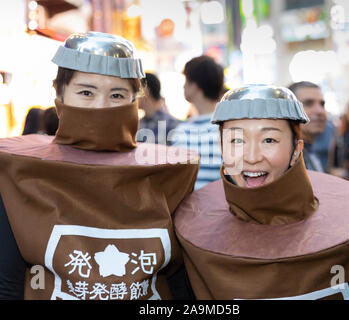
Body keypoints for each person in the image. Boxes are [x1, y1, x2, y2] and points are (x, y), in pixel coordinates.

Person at [0, 31, 199, 300]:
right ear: (59, 93)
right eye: (86, 92)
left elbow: (179, 280)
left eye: (117, 95)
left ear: (135, 99)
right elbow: (8, 283)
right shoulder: (17, 171)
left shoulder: (169, 174)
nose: (101, 107)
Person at [174, 84, 349, 300]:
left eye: (269, 140)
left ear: (296, 150)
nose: (252, 157)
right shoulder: (189, 241)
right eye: (236, 141)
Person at [171, 55, 224, 190]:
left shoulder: (182, 132)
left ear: (195, 86)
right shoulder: (230, 129)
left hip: (188, 209)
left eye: (186, 81)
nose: (183, 86)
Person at [288, 81, 327, 172]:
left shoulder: (309, 151)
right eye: (308, 103)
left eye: (322, 104)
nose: (320, 111)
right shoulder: (287, 159)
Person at [137, 72, 180, 145]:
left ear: (145, 91)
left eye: (136, 91)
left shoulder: (172, 125)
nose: (132, 96)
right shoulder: (138, 124)